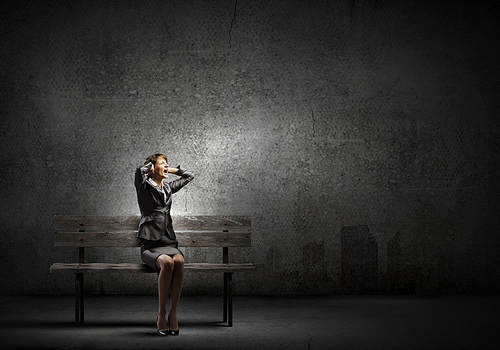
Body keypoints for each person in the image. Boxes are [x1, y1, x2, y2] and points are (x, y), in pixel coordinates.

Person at [134, 153, 194, 336]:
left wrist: (171, 168)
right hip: (150, 246)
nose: (166, 166)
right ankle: (161, 313)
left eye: (167, 163)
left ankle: (173, 313)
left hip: (169, 241)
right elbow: (138, 172)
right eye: (163, 163)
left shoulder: (168, 187)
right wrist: (150, 168)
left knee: (179, 261)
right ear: (153, 168)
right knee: (167, 263)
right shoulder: (143, 187)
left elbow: (189, 176)